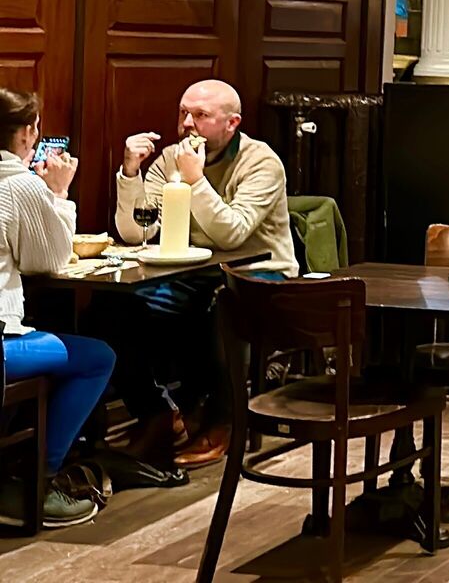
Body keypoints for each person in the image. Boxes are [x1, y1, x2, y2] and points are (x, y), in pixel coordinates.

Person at [105, 79, 292, 469]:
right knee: (114, 309)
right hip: (192, 271)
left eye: (200, 115)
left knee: (223, 308)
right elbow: (137, 233)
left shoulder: (261, 161)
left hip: (259, 274)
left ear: (232, 123)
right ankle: (158, 414)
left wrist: (196, 180)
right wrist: (130, 174)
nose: (187, 124)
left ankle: (224, 420)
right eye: (183, 113)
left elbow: (233, 233)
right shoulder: (171, 158)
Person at [0, 89, 114, 527]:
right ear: (28, 133)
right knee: (97, 357)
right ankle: (35, 482)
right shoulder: (19, 184)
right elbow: (49, 260)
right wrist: (60, 192)